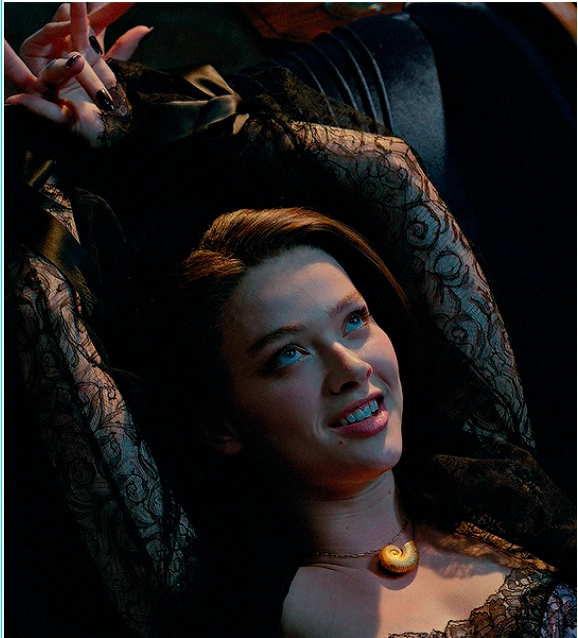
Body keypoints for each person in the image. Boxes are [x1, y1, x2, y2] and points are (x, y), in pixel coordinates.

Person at [5, 4, 576, 637]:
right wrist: (36, 135)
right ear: (221, 423)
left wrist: (153, 116)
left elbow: (389, 173)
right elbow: (43, 306)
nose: (350, 366)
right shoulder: (226, 604)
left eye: (354, 321)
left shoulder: (491, 479)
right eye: (288, 354)